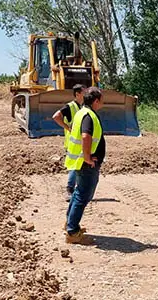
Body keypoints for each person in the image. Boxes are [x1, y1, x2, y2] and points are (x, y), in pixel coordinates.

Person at [64, 87, 106, 245]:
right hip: (86, 164)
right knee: (83, 195)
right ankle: (73, 232)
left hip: (80, 162)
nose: (102, 103)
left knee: (78, 193)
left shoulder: (81, 112)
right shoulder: (89, 115)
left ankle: (69, 224)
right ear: (96, 101)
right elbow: (86, 136)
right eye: (101, 100)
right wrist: (87, 157)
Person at [52, 84, 87, 196]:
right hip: (72, 142)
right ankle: (70, 189)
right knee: (75, 166)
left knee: (79, 165)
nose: (86, 94)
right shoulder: (70, 107)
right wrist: (67, 127)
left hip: (80, 141)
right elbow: (56, 116)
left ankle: (75, 188)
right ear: (77, 94)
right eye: (84, 92)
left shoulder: (83, 107)